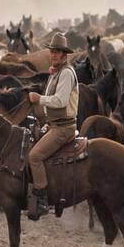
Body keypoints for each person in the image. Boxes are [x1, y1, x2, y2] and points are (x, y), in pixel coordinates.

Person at [27, 33, 79, 220]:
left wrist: (38, 99)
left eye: (58, 52)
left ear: (65, 54)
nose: (54, 55)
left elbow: (60, 101)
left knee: (34, 156)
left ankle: (41, 200)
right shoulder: (56, 72)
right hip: (54, 125)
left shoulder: (65, 73)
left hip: (62, 129)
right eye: (52, 51)